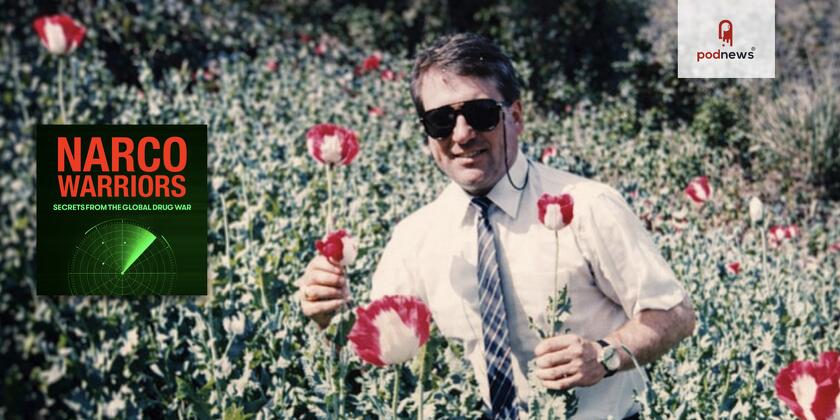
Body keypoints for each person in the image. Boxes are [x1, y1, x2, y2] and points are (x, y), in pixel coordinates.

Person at [297, 33, 696, 419]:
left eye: (481, 114)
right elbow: (379, 355)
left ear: (516, 116)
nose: (462, 134)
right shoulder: (413, 238)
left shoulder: (588, 206)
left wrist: (604, 355)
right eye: (440, 120)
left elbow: (675, 314)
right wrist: (329, 317)